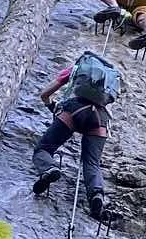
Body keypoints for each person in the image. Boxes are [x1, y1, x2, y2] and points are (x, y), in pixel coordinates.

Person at [32, 51, 121, 220]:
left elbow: (45, 94)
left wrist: (52, 106)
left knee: (43, 148)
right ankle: (97, 195)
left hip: (74, 110)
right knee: (91, 162)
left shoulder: (76, 69)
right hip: (99, 118)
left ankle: (49, 169)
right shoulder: (109, 80)